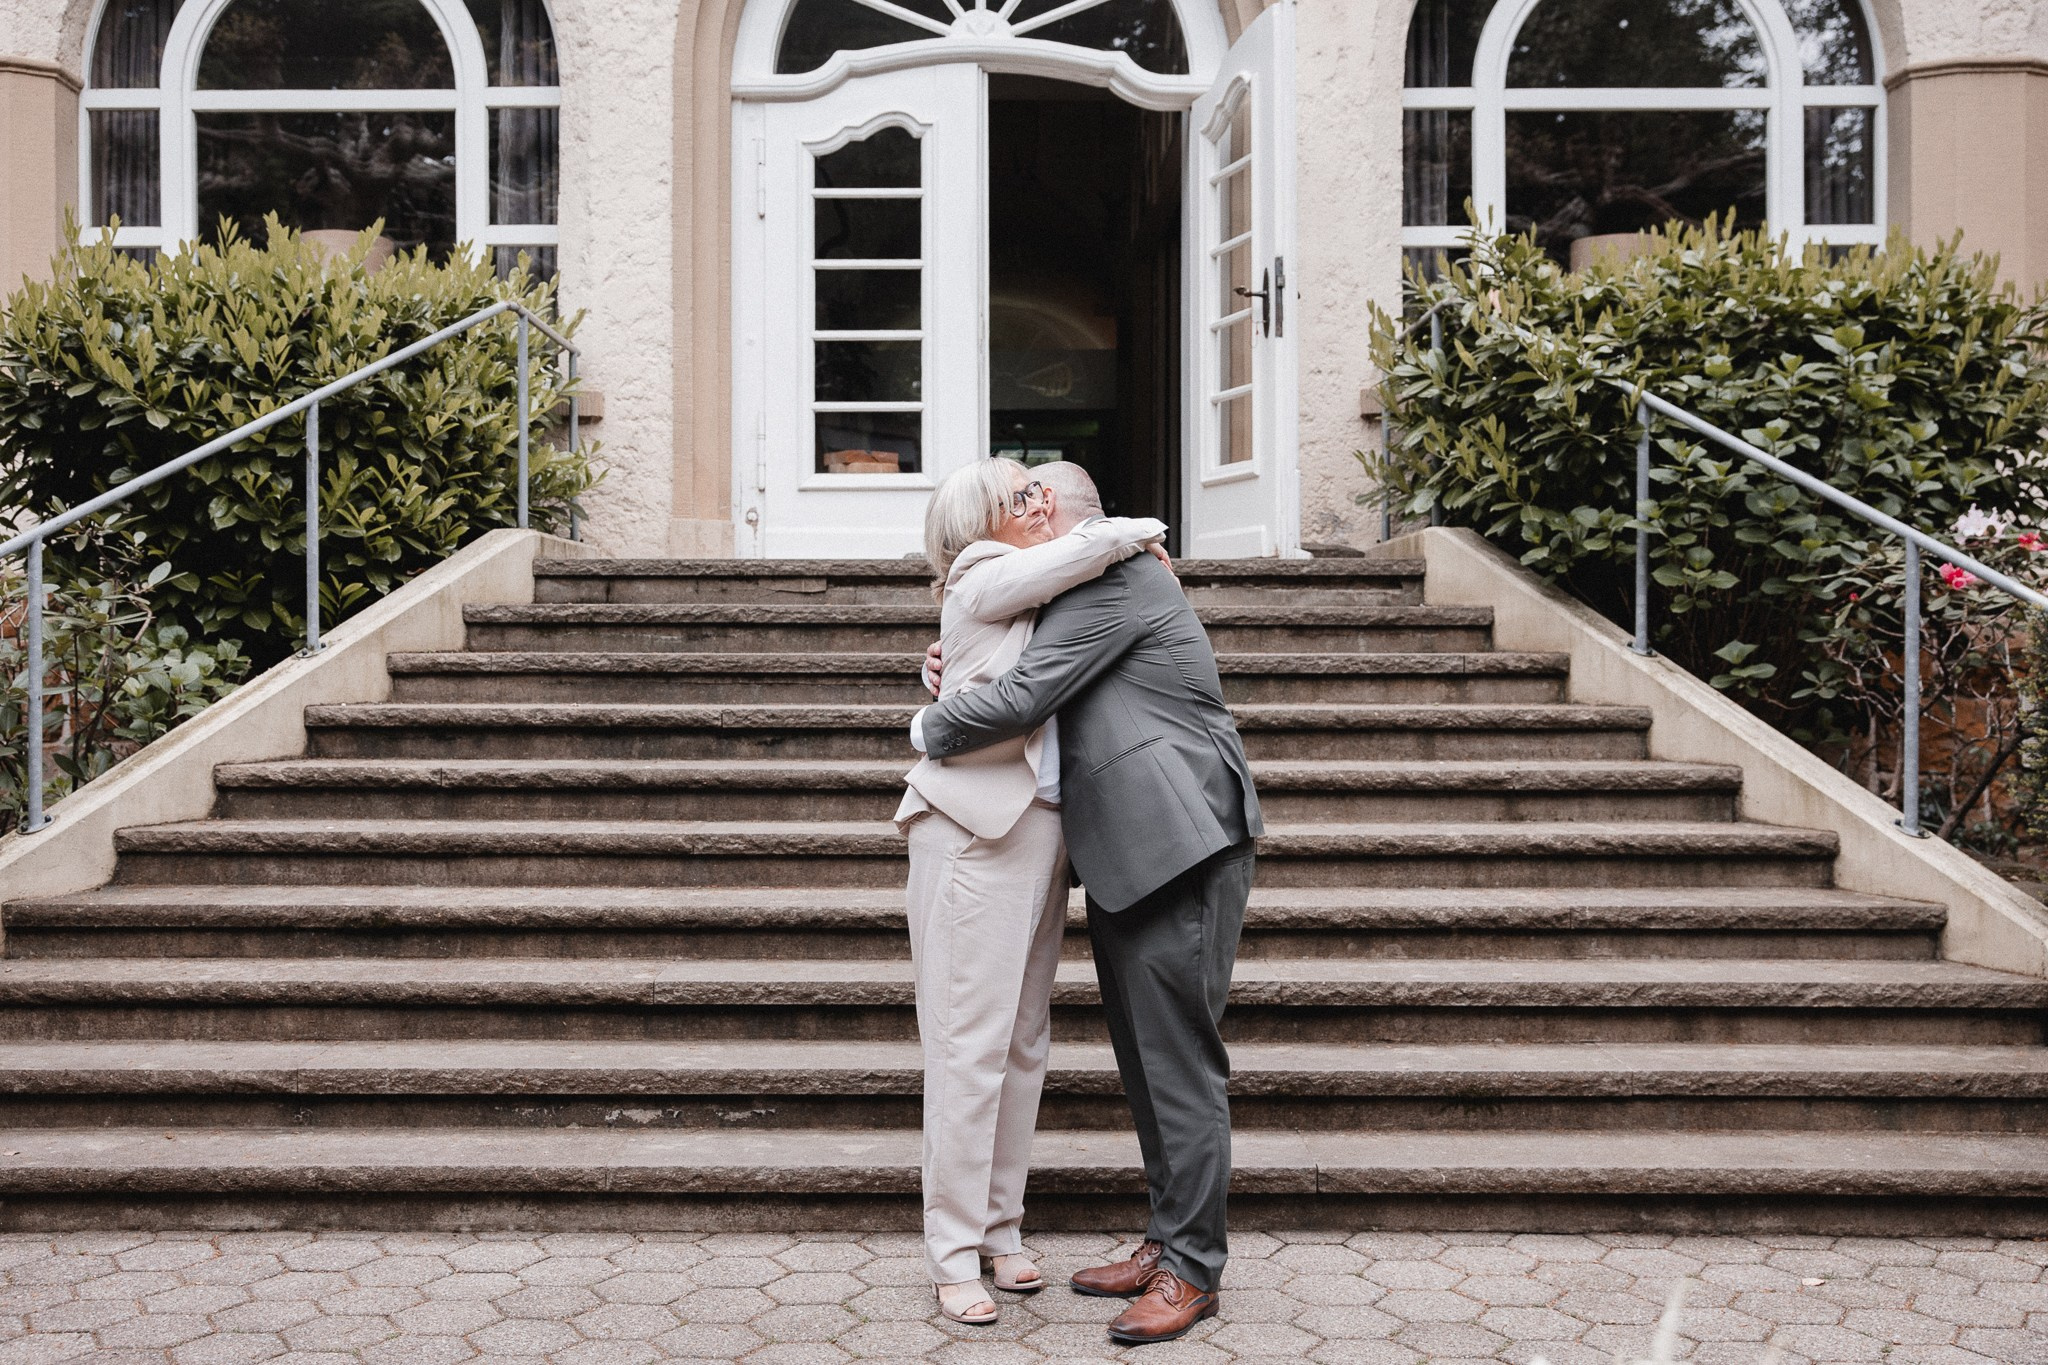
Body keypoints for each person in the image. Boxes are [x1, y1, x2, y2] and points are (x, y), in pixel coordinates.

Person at [911, 461, 1262, 1347]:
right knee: (1149, 1062)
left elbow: (1027, 694)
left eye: (1042, 508)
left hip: (1177, 836)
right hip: (1125, 848)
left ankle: (1191, 1268)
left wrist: (933, 721)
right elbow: (1009, 651)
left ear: (1078, 521)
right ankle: (1167, 1239)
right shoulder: (1066, 588)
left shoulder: (1117, 578)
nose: (1030, 522)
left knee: (1177, 1059)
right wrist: (950, 655)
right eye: (1016, 507)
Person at [897, 456, 1169, 1326]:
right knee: (965, 1046)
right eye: (1020, 496)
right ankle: (951, 1253)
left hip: (1044, 832)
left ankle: (1004, 1229)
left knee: (1021, 1044)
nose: (1035, 503)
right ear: (986, 520)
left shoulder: (1030, 590)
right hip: (973, 829)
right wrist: (1136, 534)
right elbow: (1060, 565)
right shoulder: (984, 571)